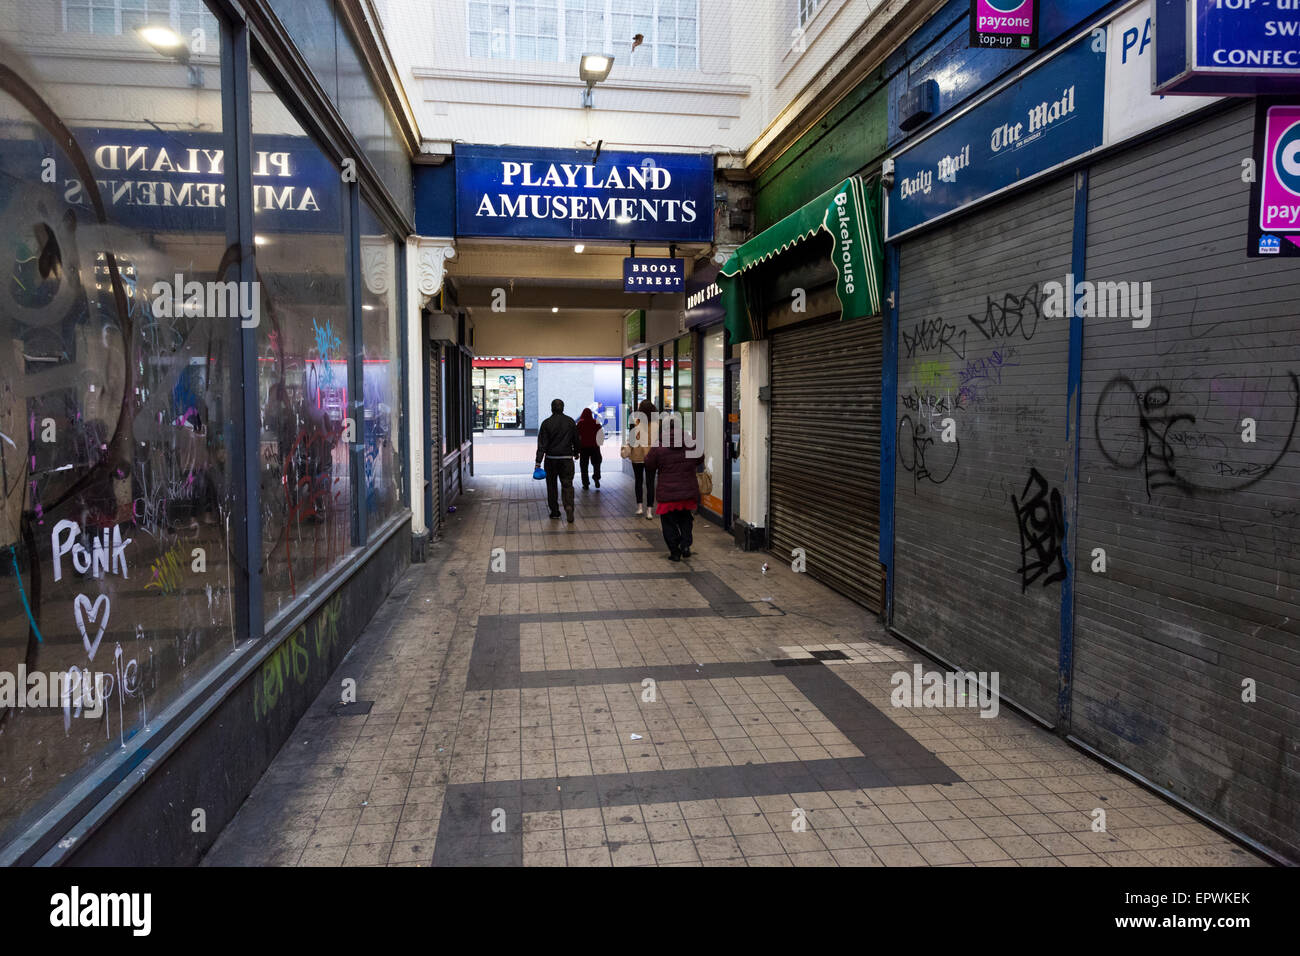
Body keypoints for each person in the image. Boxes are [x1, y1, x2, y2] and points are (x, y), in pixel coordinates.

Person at [644, 416, 701, 561]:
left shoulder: (659, 445)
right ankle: (686, 544)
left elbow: (649, 464)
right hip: (687, 490)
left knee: (668, 523)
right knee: (685, 518)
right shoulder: (690, 442)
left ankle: (675, 551)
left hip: (668, 492)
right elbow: (700, 458)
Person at [535, 398, 580, 522]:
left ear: (551, 408)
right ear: (563, 408)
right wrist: (576, 452)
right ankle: (569, 506)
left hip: (551, 459)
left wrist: (538, 462)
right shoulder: (570, 422)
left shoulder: (546, 423)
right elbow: (576, 439)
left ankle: (555, 512)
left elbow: (542, 445)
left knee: (552, 486)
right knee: (567, 485)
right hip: (566, 459)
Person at [625, 399, 658, 519]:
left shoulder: (635, 422)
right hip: (651, 456)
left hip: (637, 455)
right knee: (650, 483)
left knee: (638, 481)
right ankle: (649, 510)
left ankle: (639, 507)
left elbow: (632, 439)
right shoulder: (656, 424)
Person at [576, 407, 604, 490]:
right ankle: (596, 478)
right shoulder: (596, 422)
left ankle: (586, 484)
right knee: (596, 464)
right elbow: (601, 434)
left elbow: (577, 437)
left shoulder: (580, 423)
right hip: (595, 447)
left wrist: (576, 449)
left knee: (584, 466)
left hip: (583, 448)